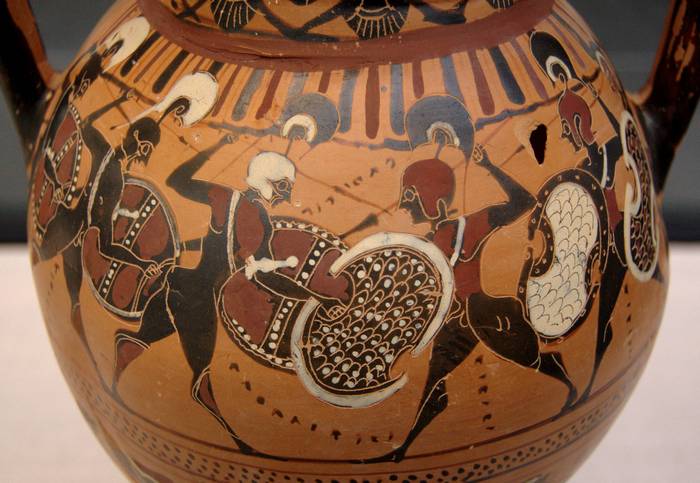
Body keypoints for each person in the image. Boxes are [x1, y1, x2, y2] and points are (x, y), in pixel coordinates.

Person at [111, 135, 336, 456]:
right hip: (198, 297)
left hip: (180, 282)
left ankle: (112, 387)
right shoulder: (254, 217)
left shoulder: (225, 197)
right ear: (267, 180)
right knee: (202, 383)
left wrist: (214, 147)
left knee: (140, 340)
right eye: (283, 186)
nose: (286, 195)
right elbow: (263, 274)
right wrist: (311, 296)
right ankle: (239, 444)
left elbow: (178, 182)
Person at [372, 145, 576, 462]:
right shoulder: (428, 242)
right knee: (434, 381)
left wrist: (490, 166)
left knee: (529, 360)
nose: (404, 206)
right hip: (458, 320)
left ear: (430, 198)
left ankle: (568, 383)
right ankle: (403, 450)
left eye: (411, 197)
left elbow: (524, 202)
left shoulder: (469, 227)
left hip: (485, 315)